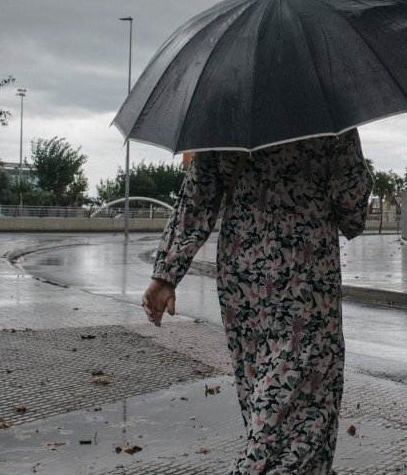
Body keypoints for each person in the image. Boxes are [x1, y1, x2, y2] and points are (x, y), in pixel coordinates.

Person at [142, 129, 372, 474]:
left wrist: (166, 274)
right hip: (305, 273)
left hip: (243, 275)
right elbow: (353, 213)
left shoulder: (224, 109)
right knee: (305, 399)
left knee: (263, 392)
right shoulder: (325, 111)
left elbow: (198, 197)